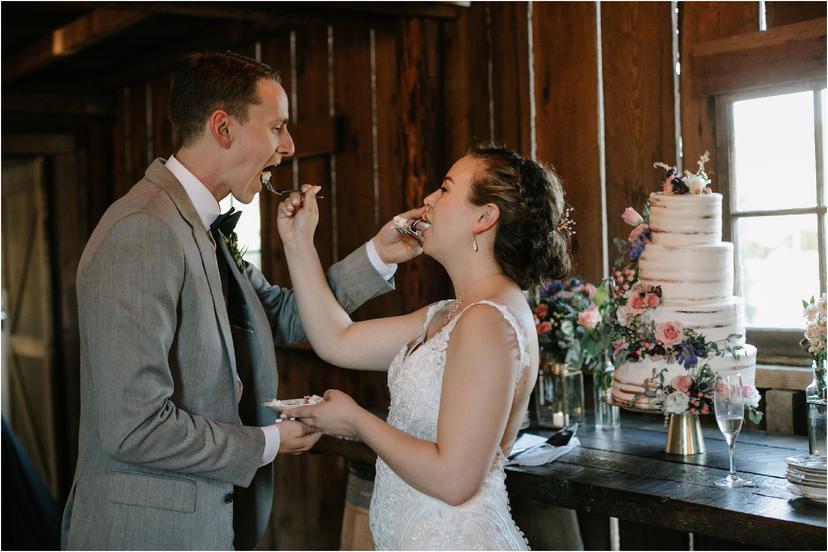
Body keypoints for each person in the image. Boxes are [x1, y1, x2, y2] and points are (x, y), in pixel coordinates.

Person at [61, 52, 423, 550]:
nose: (288, 147)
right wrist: (267, 442)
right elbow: (134, 427)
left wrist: (379, 255)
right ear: (223, 128)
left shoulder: (201, 227)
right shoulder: (142, 231)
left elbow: (288, 318)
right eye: (277, 127)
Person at [278, 144, 572, 550]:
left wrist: (358, 422)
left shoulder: (488, 320)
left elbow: (455, 481)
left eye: (446, 189)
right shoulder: (448, 314)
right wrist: (298, 242)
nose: (429, 200)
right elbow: (336, 340)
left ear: (484, 218)